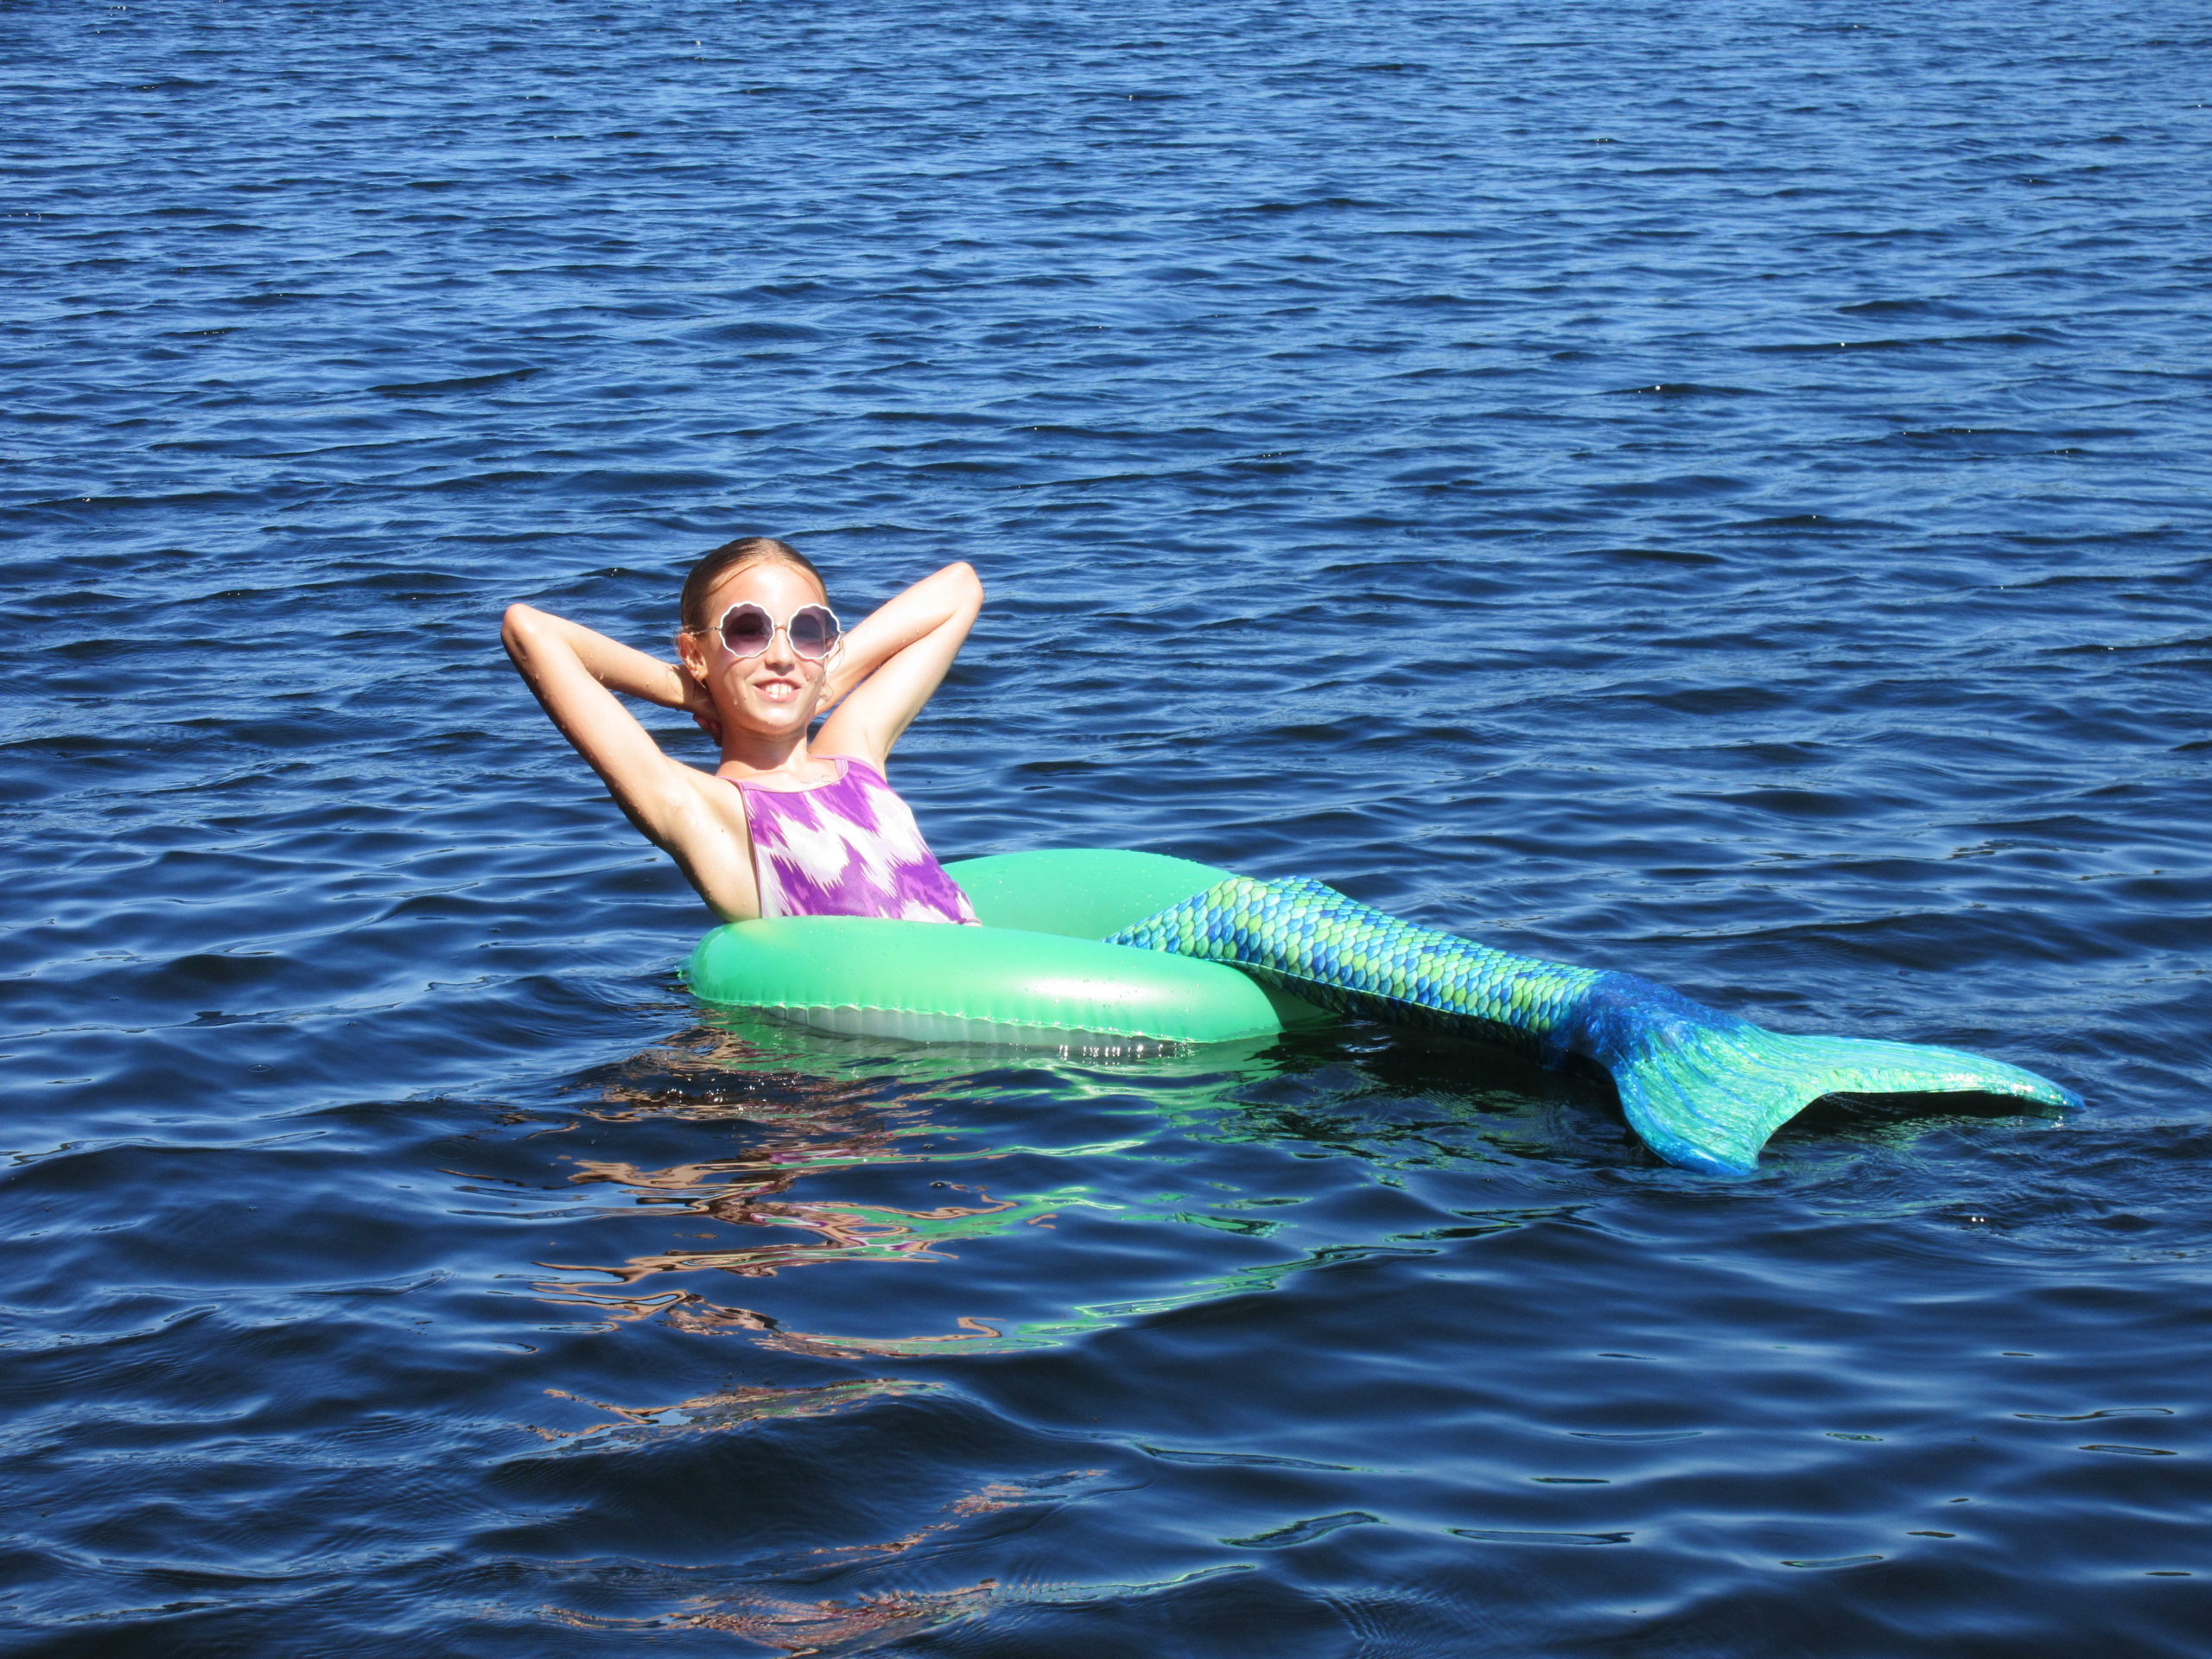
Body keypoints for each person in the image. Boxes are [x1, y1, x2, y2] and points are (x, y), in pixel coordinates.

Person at [502, 536, 982, 925]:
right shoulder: (705, 811)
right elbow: (530, 631)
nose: (779, 654)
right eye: (747, 630)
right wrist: (690, 690)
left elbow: (959, 588)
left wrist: (815, 678)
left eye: (807, 629)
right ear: (694, 653)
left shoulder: (856, 757)